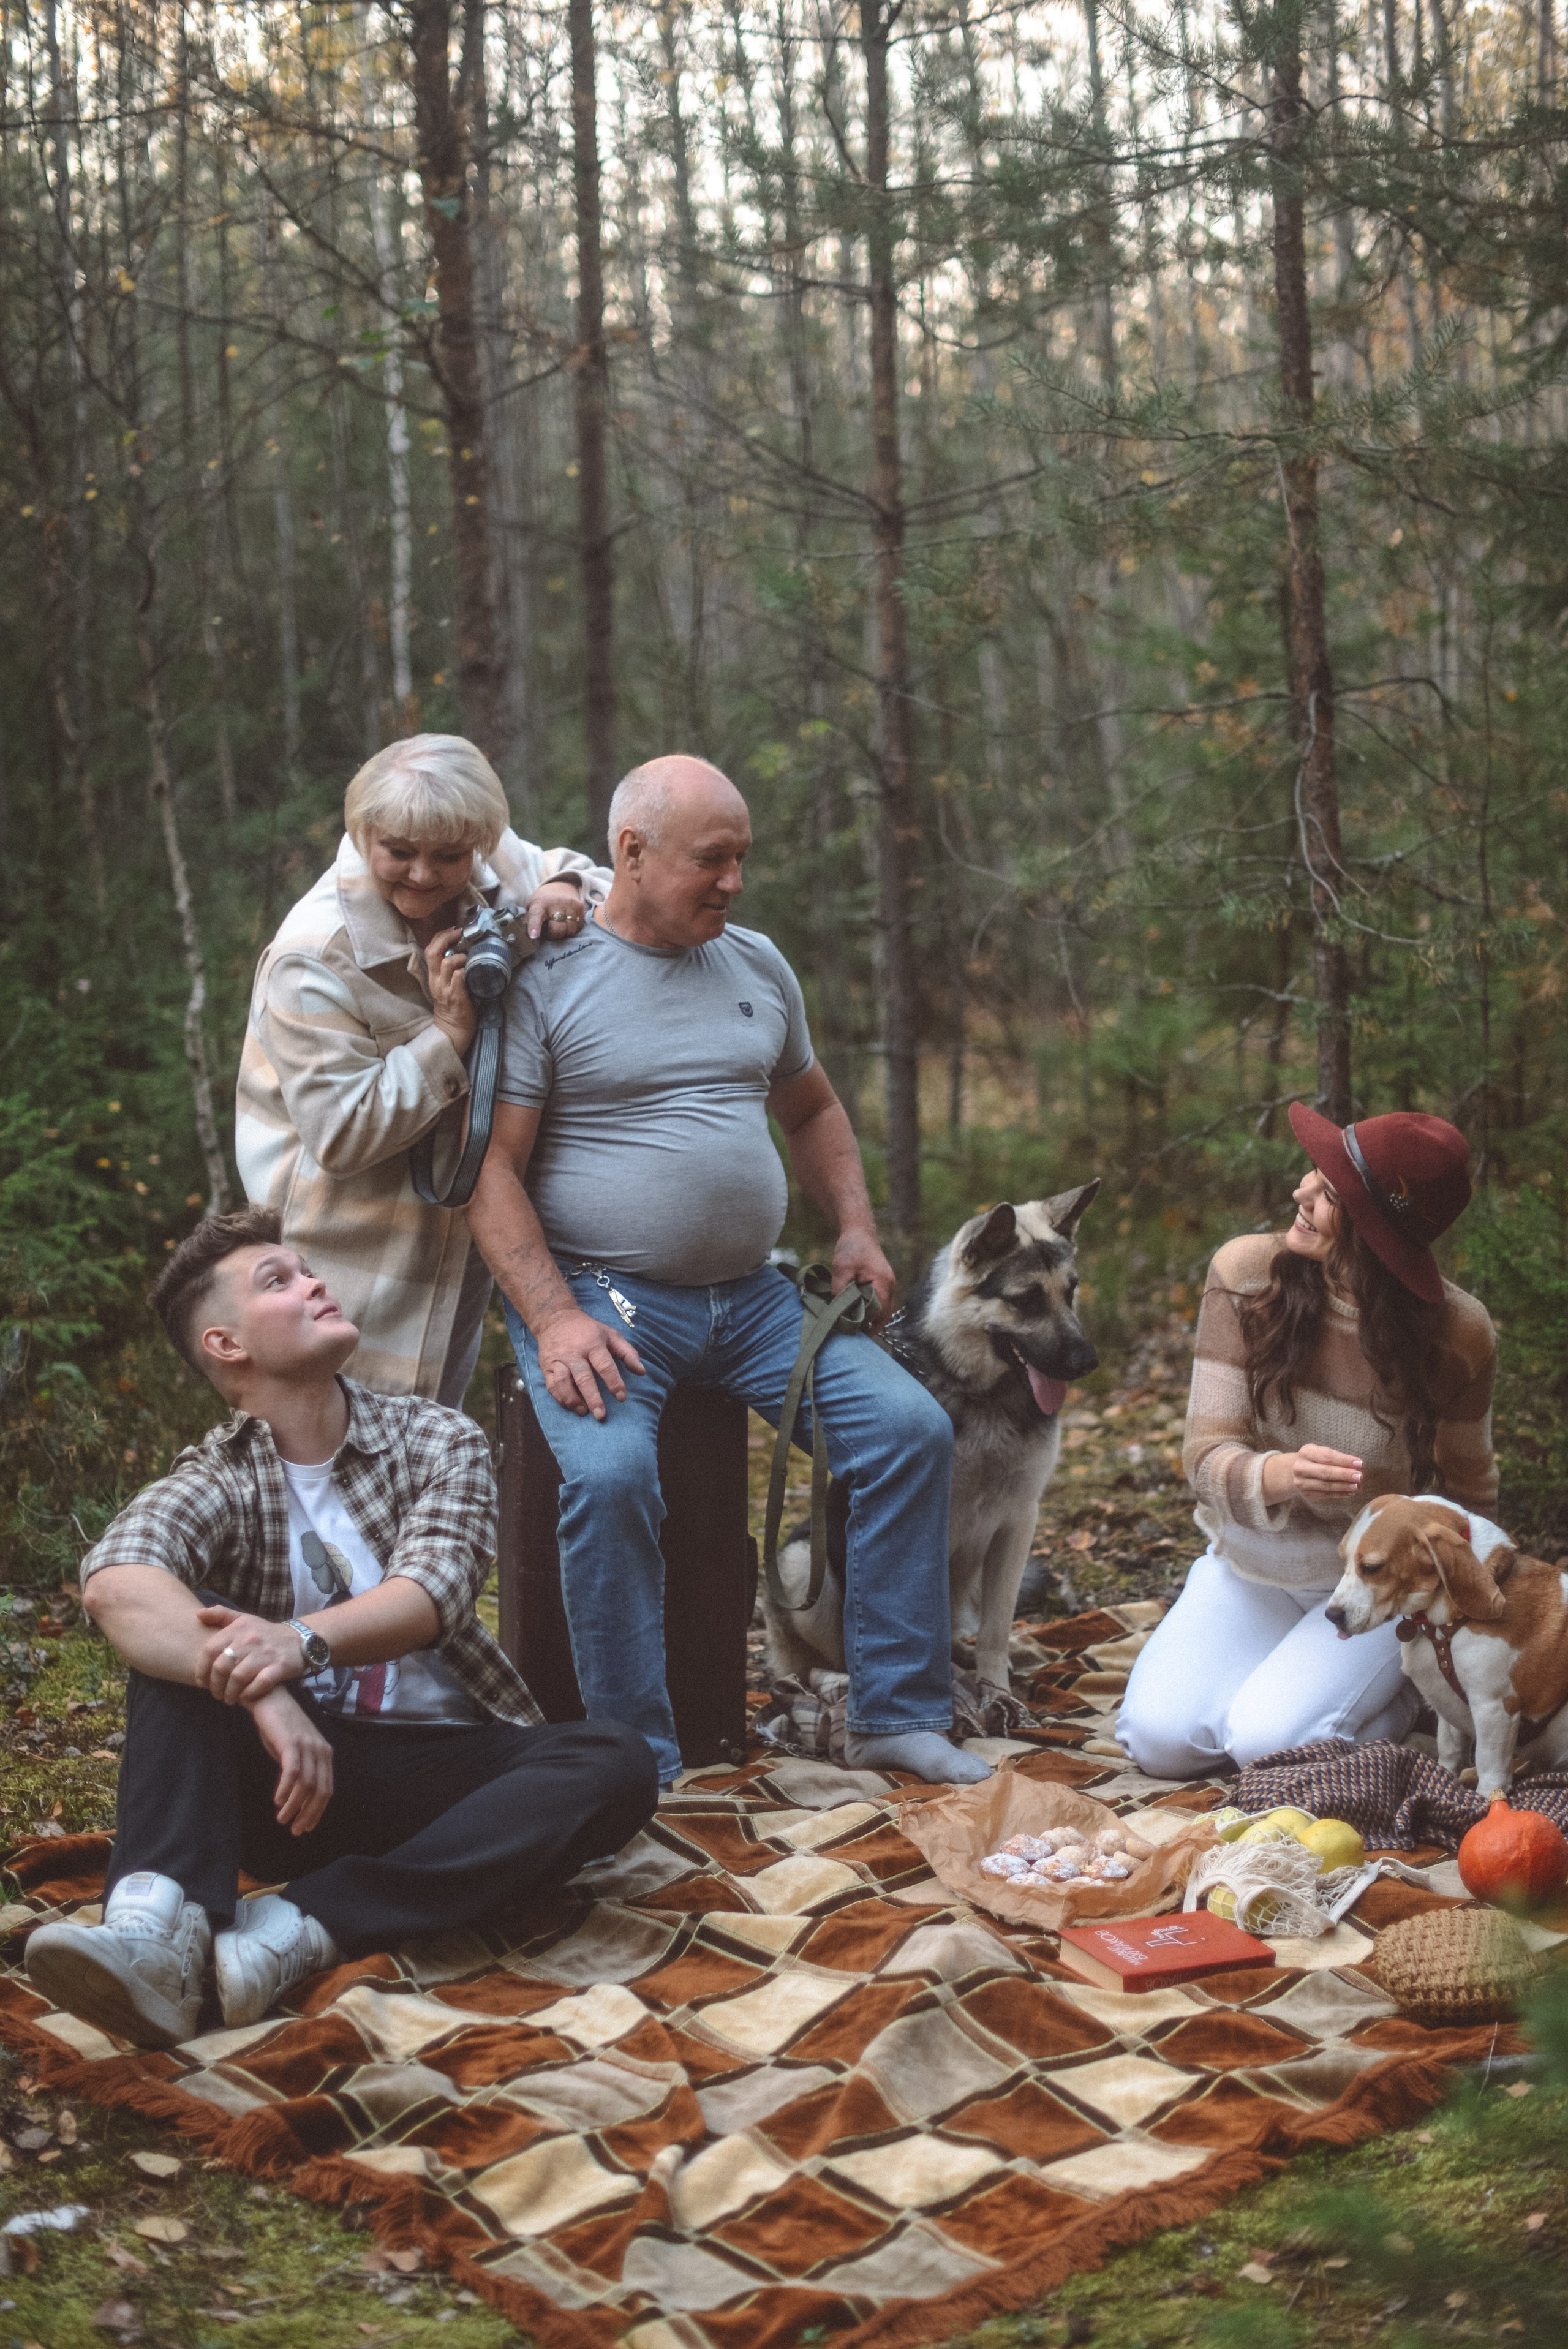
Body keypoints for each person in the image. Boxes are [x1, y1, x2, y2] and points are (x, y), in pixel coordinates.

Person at [467, 753, 987, 1792]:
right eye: (713, 861)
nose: (734, 883)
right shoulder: (550, 981)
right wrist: (553, 1317)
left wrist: (856, 1227)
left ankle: (894, 1712)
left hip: (753, 1297)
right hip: (603, 1297)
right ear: (631, 853)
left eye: (741, 859)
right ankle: (637, 1756)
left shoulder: (755, 964)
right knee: (612, 1481)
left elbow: (813, 1109)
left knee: (909, 1431)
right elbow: (492, 1171)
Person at [26, 1207, 655, 2051]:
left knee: (615, 1761)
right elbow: (115, 1581)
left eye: (307, 1269)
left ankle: (303, 1923)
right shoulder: (216, 1475)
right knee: (187, 1622)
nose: (315, 1282)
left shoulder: (434, 1435)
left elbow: (433, 1589)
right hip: (289, 1788)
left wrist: (293, 1643)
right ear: (226, 1344)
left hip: (440, 1781)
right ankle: (154, 1934)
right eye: (277, 1281)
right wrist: (269, 1689)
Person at [1117, 1106, 1497, 1778]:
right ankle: (1315, 1693)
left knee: (1265, 1746)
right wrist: (1278, 1476)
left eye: (1329, 1194)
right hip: (1251, 1569)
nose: (1301, 1195)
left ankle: (1406, 1696)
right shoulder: (1244, 1273)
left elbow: (1467, 1501)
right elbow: (1204, 1455)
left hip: (1376, 1594)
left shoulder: (1458, 1334)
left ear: (1377, 1232)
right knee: (1159, 1741)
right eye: (1312, 1175)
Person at [236, 735, 612, 1403]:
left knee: (434, 1429)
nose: (423, 874)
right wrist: (448, 1035)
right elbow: (342, 1135)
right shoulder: (314, 954)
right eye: (399, 853)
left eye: (448, 856)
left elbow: (588, 874)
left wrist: (566, 886)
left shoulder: (481, 851)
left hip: (454, 1223)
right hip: (342, 1242)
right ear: (365, 832)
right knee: (334, 1434)